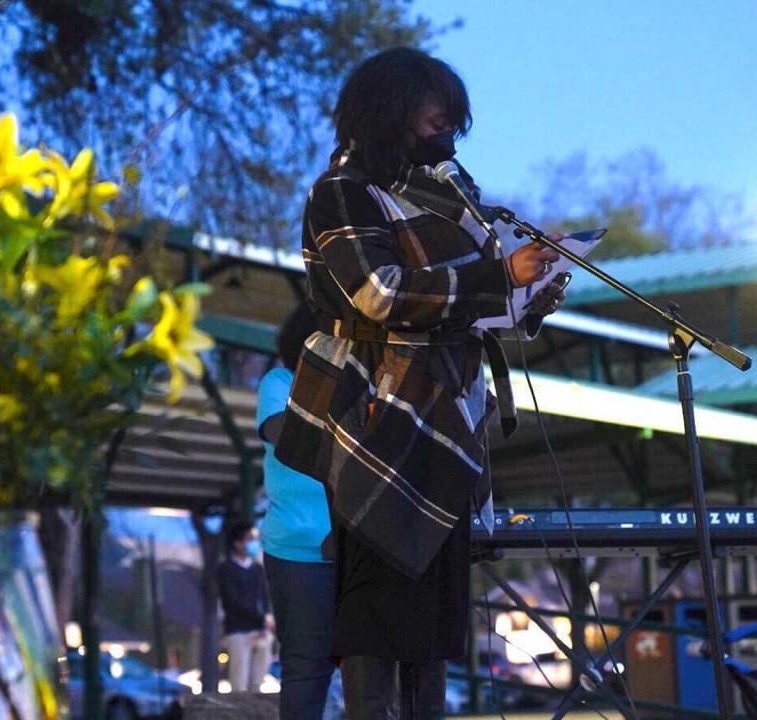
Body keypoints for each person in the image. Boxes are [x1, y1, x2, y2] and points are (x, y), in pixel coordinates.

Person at [273, 47, 565, 719]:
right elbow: (378, 294)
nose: (444, 136)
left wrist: (531, 294)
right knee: (378, 626)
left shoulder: (439, 198)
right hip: (382, 425)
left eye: (450, 126)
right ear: (389, 111)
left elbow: (464, 301)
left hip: (447, 418)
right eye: (433, 121)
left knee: (431, 635)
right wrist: (498, 279)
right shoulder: (342, 190)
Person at [258, 301, 337, 720]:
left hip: (358, 544)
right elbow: (278, 431)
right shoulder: (279, 382)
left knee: (370, 663)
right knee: (307, 666)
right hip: (297, 550)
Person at [217, 522, 274, 693]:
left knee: (259, 676)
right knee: (239, 679)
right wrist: (260, 617)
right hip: (237, 630)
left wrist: (267, 618)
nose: (254, 543)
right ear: (237, 543)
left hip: (259, 629)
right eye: (249, 539)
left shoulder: (257, 568)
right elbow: (232, 602)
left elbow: (264, 597)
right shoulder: (226, 569)